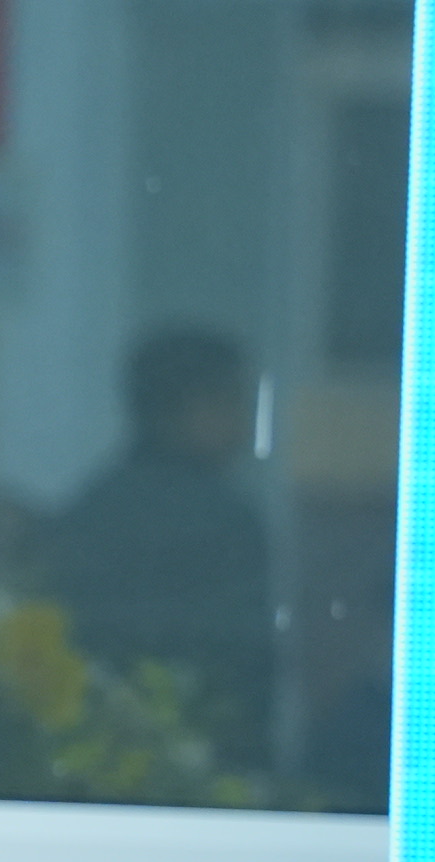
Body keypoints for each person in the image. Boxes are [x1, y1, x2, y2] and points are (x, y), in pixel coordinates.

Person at [37, 323, 275, 767]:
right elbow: (242, 668)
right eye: (232, 402)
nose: (244, 427)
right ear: (188, 407)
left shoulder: (92, 507)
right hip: (203, 764)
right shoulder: (225, 520)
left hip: (94, 758)